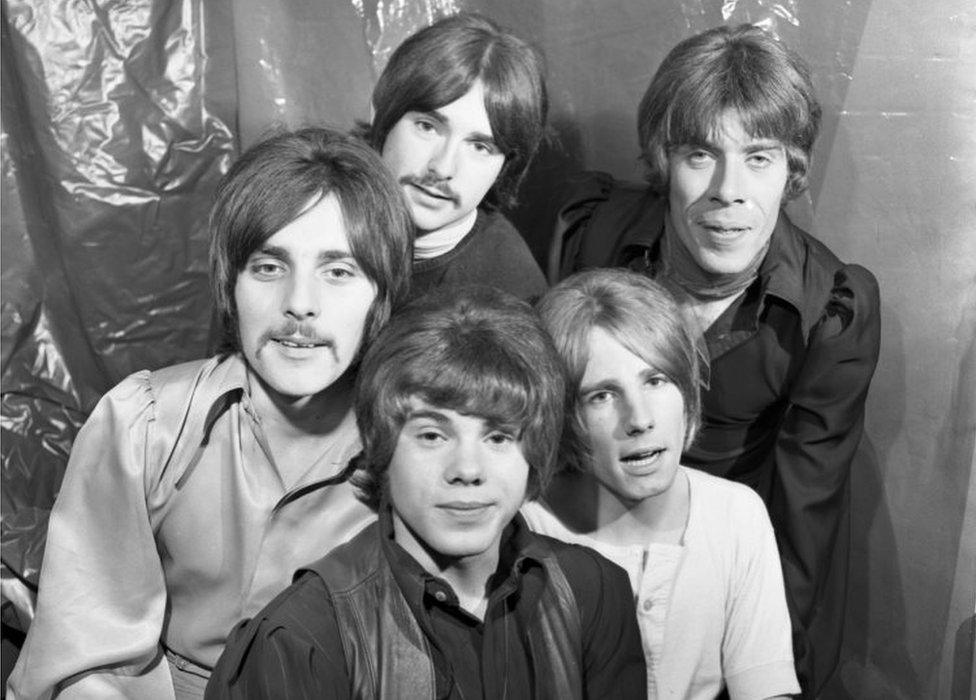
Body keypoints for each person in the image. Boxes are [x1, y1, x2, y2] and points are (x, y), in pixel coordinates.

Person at [7, 128, 413, 699]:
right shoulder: (145, 425)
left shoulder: (416, 449)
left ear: (381, 296)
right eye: (269, 267)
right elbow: (87, 656)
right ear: (231, 284)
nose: (300, 303)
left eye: (338, 271)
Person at [550, 24, 881, 696]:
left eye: (759, 158)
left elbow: (803, 525)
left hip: (719, 572)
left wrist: (778, 673)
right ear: (661, 161)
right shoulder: (593, 235)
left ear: (792, 173)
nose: (728, 190)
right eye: (701, 155)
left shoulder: (828, 311)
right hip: (578, 549)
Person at [205, 286, 647, 699]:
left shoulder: (594, 592)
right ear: (381, 445)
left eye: (498, 438)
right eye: (433, 436)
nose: (468, 471)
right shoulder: (302, 639)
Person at [523, 268, 799, 699]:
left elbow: (767, 690)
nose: (640, 419)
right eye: (602, 395)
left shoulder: (735, 515)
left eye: (656, 380)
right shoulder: (523, 529)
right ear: (561, 414)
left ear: (687, 390)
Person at [358, 12, 549, 302]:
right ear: (381, 114)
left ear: (505, 167)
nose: (443, 167)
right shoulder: (312, 208)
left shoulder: (509, 293)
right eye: (427, 127)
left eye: (479, 147)